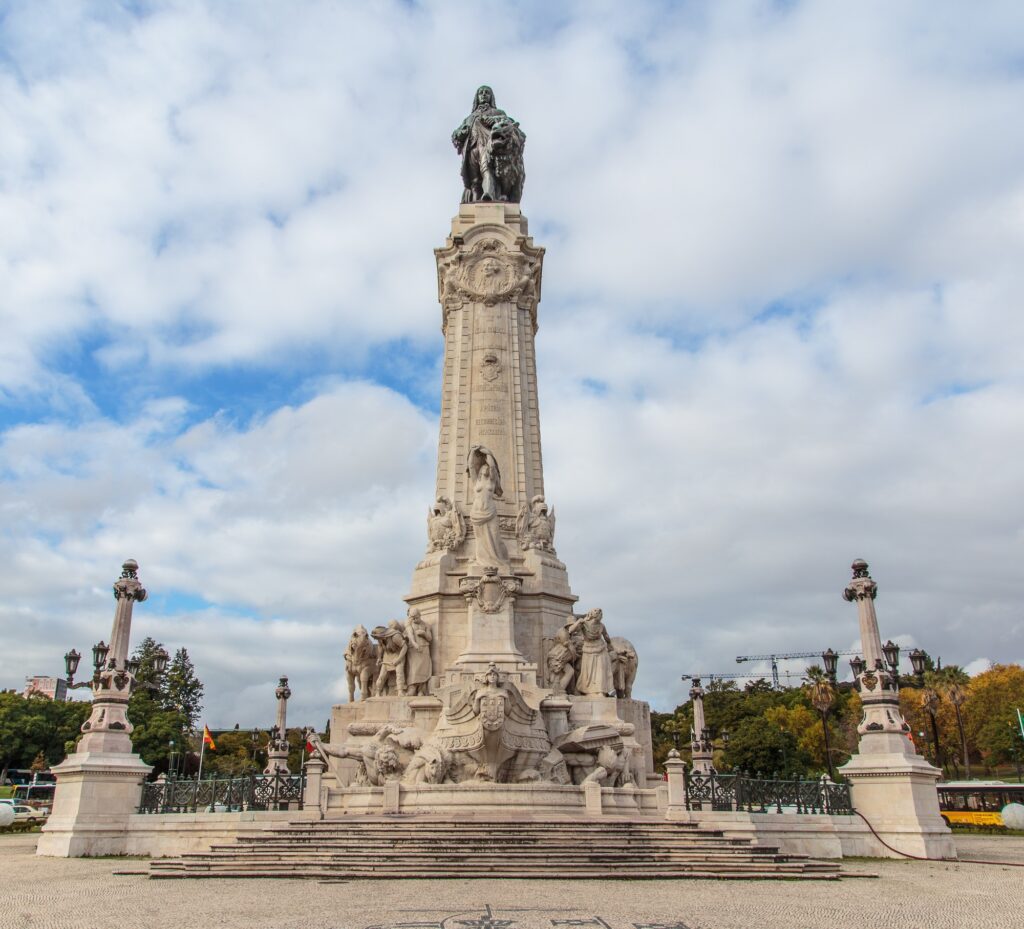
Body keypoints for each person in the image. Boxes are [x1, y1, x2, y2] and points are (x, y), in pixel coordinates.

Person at [452, 85, 523, 203]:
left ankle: (488, 194)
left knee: (487, 169)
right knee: (474, 181)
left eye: (487, 92)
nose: (484, 94)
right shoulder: (470, 118)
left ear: (491, 97)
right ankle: (475, 203)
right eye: (481, 93)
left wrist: (495, 119)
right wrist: (460, 132)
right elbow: (455, 136)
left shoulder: (497, 112)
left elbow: (508, 123)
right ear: (477, 97)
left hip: (487, 146)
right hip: (471, 149)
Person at [467, 445, 507, 567]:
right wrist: (472, 452)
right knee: (480, 539)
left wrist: (488, 453)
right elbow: (471, 466)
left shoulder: (492, 481)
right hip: (476, 513)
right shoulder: (476, 481)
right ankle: (482, 561)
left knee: (495, 536)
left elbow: (493, 466)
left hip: (490, 511)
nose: (485, 468)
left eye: (486, 467)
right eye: (483, 467)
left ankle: (497, 560)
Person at [566, 609, 615, 696]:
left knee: (601, 671)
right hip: (588, 650)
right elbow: (570, 630)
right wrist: (580, 621)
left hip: (601, 649)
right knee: (588, 673)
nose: (601, 616)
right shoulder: (584, 624)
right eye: (600, 615)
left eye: (601, 615)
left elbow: (606, 635)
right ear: (593, 615)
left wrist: (609, 644)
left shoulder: (601, 626)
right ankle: (588, 691)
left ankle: (601, 691)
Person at [404, 608, 433, 696]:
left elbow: (430, 638)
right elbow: (411, 635)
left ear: (419, 615)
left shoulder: (426, 625)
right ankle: (412, 688)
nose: (414, 619)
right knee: (413, 669)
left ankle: (421, 689)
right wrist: (414, 644)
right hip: (413, 649)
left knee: (423, 669)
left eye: (416, 617)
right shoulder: (409, 624)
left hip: (424, 648)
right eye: (412, 618)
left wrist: (424, 634)